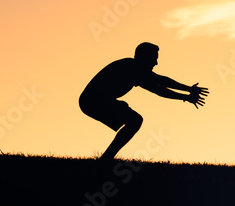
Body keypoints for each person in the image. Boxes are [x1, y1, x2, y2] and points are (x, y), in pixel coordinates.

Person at [80, 42, 208, 159]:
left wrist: (188, 91)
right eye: (154, 58)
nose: (156, 63)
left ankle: (106, 158)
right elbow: (160, 87)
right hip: (92, 101)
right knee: (134, 120)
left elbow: (160, 82)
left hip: (93, 101)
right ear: (144, 58)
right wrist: (187, 94)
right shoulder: (132, 68)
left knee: (133, 120)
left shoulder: (135, 68)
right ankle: (106, 159)